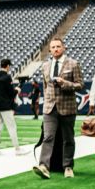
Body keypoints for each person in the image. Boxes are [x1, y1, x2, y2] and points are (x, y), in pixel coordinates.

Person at [34, 38, 83, 180]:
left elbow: (80, 85)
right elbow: (45, 87)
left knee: (68, 138)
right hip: (50, 108)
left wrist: (65, 83)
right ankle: (43, 166)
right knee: (48, 137)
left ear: (64, 48)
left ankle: (68, 166)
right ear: (50, 50)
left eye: (58, 46)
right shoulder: (45, 66)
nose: (55, 49)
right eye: (53, 47)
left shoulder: (73, 64)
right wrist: (47, 101)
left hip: (67, 107)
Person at [0, 58, 27, 155]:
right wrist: (17, 90)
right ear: (7, 66)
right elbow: (11, 93)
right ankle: (17, 149)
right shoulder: (7, 77)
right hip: (5, 106)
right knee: (12, 127)